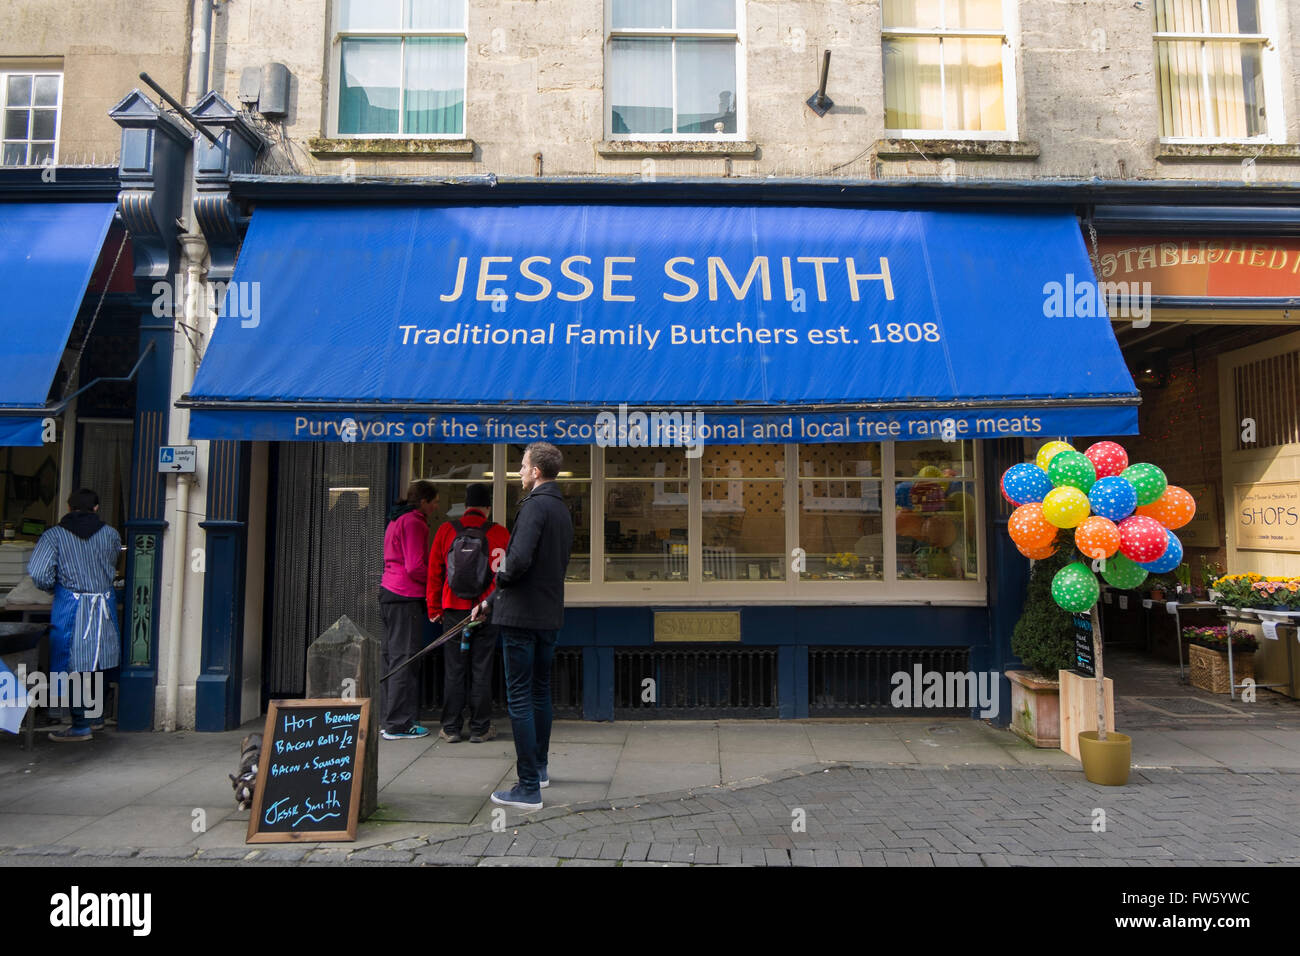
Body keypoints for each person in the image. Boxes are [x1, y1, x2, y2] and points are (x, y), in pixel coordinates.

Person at [472, 442, 573, 811]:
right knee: (540, 692)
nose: (518, 470)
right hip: (549, 614)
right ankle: (540, 769)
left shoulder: (534, 507)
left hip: (521, 617)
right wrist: (491, 600)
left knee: (519, 698)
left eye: (522, 464)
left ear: (535, 472)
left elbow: (516, 564)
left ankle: (528, 786)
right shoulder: (562, 508)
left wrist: (493, 592)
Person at [27, 488, 121, 742]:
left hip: (72, 605)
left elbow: (38, 573)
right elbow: (112, 564)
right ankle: (97, 716)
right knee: (100, 661)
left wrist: (53, 587)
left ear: (69, 508)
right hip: (103, 604)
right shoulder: (111, 534)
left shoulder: (54, 536)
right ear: (96, 508)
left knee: (74, 664)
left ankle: (80, 724)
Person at [427, 482, 509, 744]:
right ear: (487, 507)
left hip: (454, 610)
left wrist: (434, 608)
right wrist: (490, 604)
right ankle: (480, 728)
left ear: (466, 505)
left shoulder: (446, 531)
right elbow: (502, 576)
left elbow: (435, 573)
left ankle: (451, 728)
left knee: (454, 669)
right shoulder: (499, 534)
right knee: (481, 668)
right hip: (486, 611)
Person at [378, 480, 439, 740]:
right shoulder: (414, 522)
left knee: (392, 658)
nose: (436, 506)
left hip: (389, 591)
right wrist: (437, 581)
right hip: (406, 595)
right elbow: (415, 566)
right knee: (405, 659)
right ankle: (399, 724)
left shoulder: (395, 519)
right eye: (434, 501)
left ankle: (388, 718)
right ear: (423, 501)